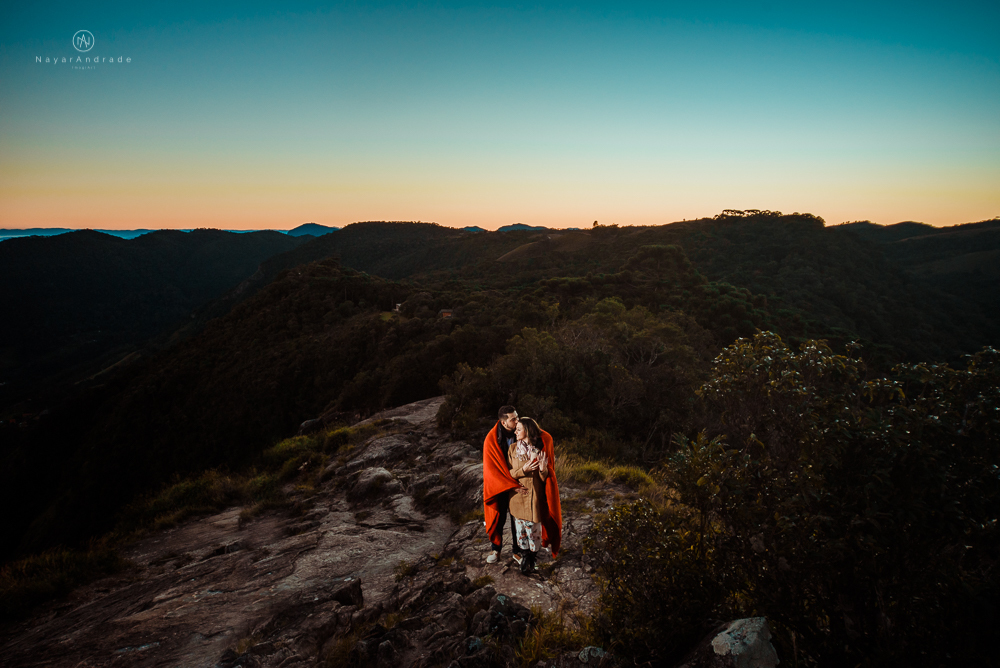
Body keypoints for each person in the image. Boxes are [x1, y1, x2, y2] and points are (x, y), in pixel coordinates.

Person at [506, 417, 562, 573]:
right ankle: (524, 557)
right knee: (520, 532)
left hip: (533, 498)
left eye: (519, 429)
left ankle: (532, 558)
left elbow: (545, 479)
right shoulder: (512, 450)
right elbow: (508, 473)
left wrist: (543, 469)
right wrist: (523, 470)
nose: (515, 431)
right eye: (515, 428)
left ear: (528, 431)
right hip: (517, 498)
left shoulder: (539, 450)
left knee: (534, 533)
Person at [482, 406, 526, 564]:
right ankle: (496, 549)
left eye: (517, 417)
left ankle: (517, 551)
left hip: (518, 480)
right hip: (500, 485)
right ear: (503, 422)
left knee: (517, 519)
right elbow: (492, 470)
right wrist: (510, 484)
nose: (517, 421)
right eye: (513, 419)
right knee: (499, 517)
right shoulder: (491, 439)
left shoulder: (520, 431)